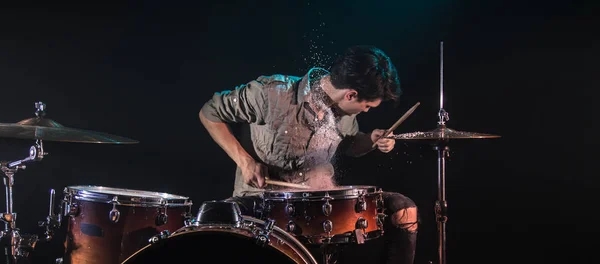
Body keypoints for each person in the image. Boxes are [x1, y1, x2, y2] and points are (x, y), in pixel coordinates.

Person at [199, 45, 418, 264]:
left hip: (317, 206)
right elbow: (209, 113)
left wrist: (371, 140)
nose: (366, 111)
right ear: (351, 94)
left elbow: (350, 145)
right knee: (215, 221)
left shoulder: (343, 112)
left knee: (402, 207)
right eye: (368, 106)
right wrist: (244, 161)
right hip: (261, 202)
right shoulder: (270, 94)